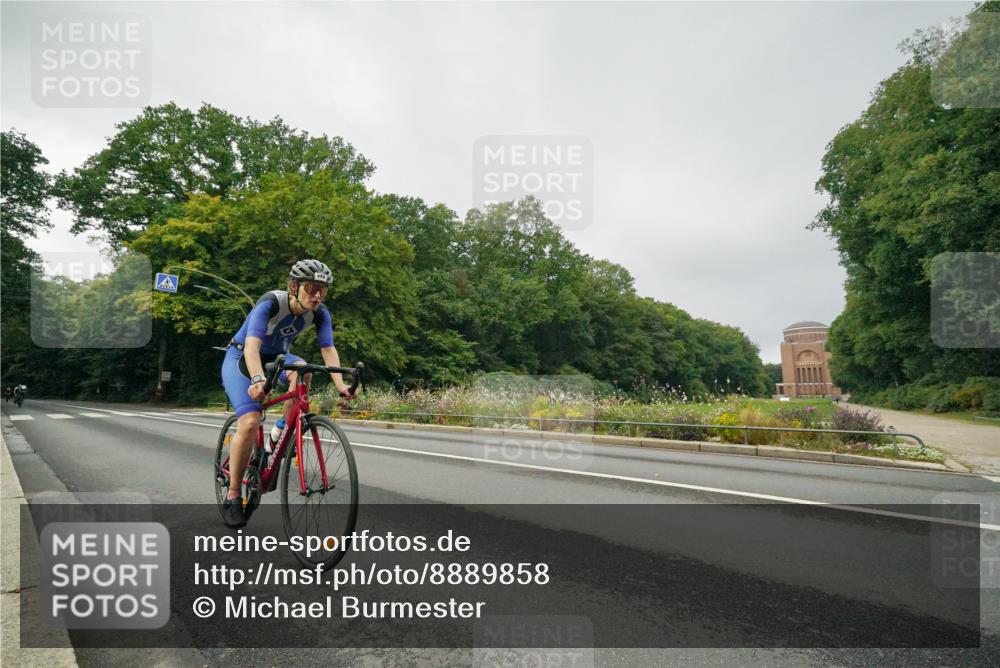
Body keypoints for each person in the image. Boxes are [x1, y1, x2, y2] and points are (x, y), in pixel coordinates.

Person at [219, 259, 355, 529]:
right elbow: (252, 348)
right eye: (311, 289)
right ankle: (233, 494)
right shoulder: (270, 302)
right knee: (250, 421)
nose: (317, 296)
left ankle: (279, 432)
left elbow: (328, 349)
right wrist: (258, 379)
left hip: (279, 358)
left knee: (304, 370)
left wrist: (341, 385)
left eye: (322, 290)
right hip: (242, 358)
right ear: (294, 287)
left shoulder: (320, 313)